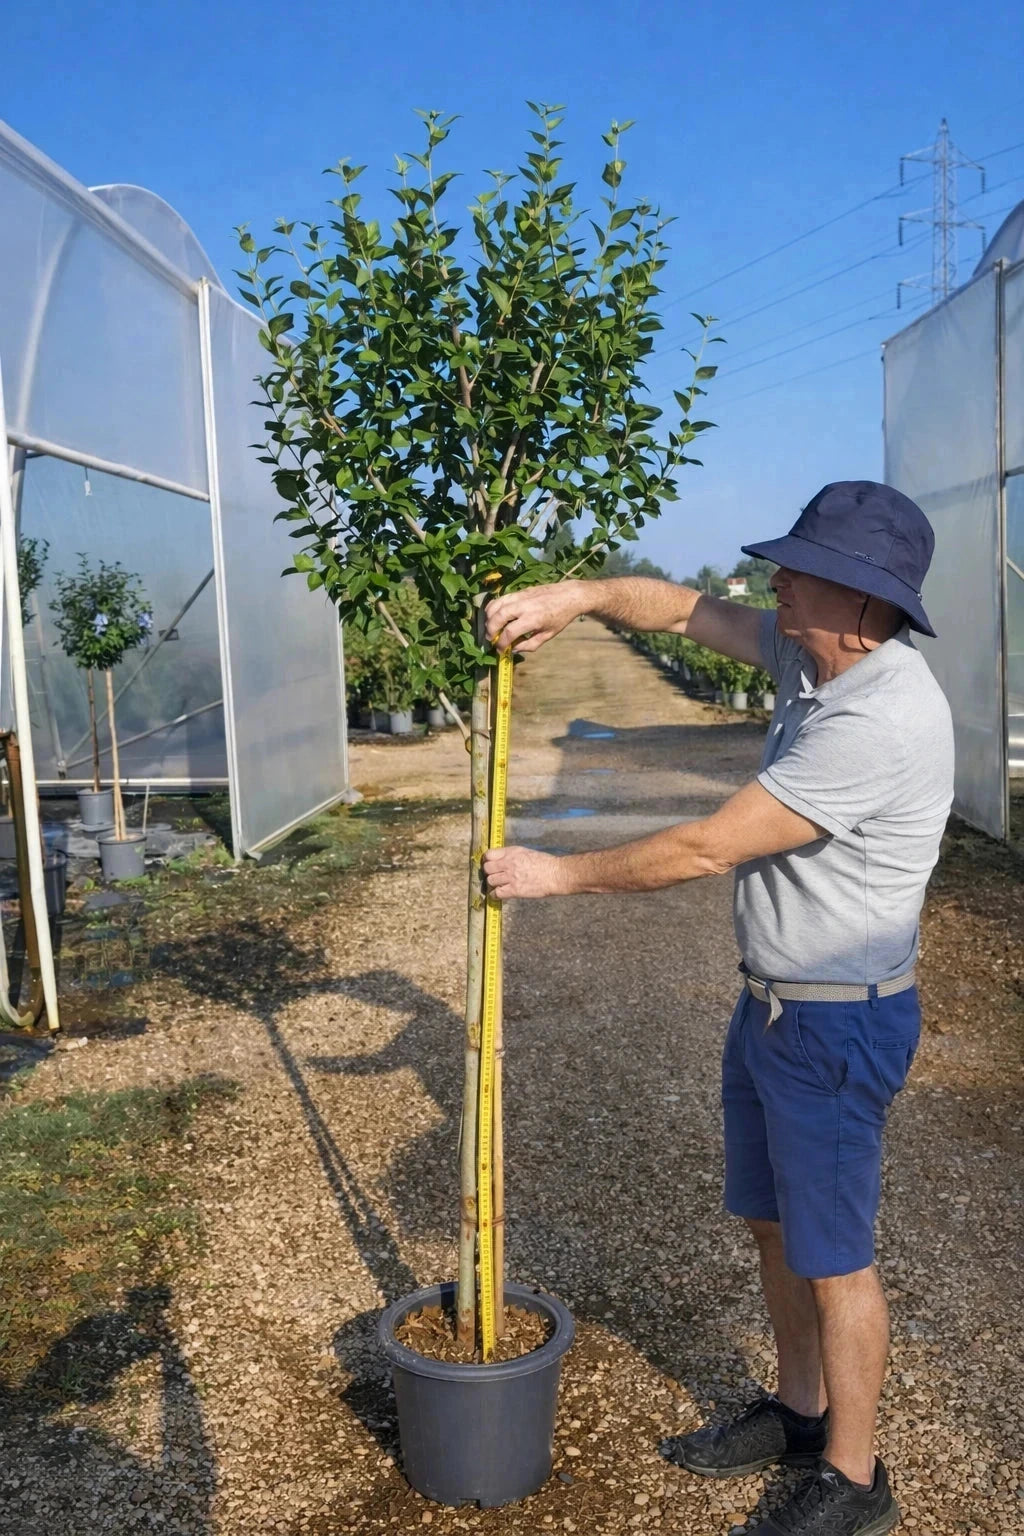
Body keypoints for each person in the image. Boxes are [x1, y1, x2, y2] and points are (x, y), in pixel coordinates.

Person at [483, 482, 954, 1536]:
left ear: (862, 598)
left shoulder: (882, 717)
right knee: (769, 1222)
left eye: (795, 567)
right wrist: (582, 594)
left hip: (838, 1024)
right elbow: (682, 609)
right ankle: (797, 1411)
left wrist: (554, 877)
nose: (772, 579)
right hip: (775, 1008)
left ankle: (852, 1475)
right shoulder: (814, 654)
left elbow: (704, 846)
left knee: (834, 1254)